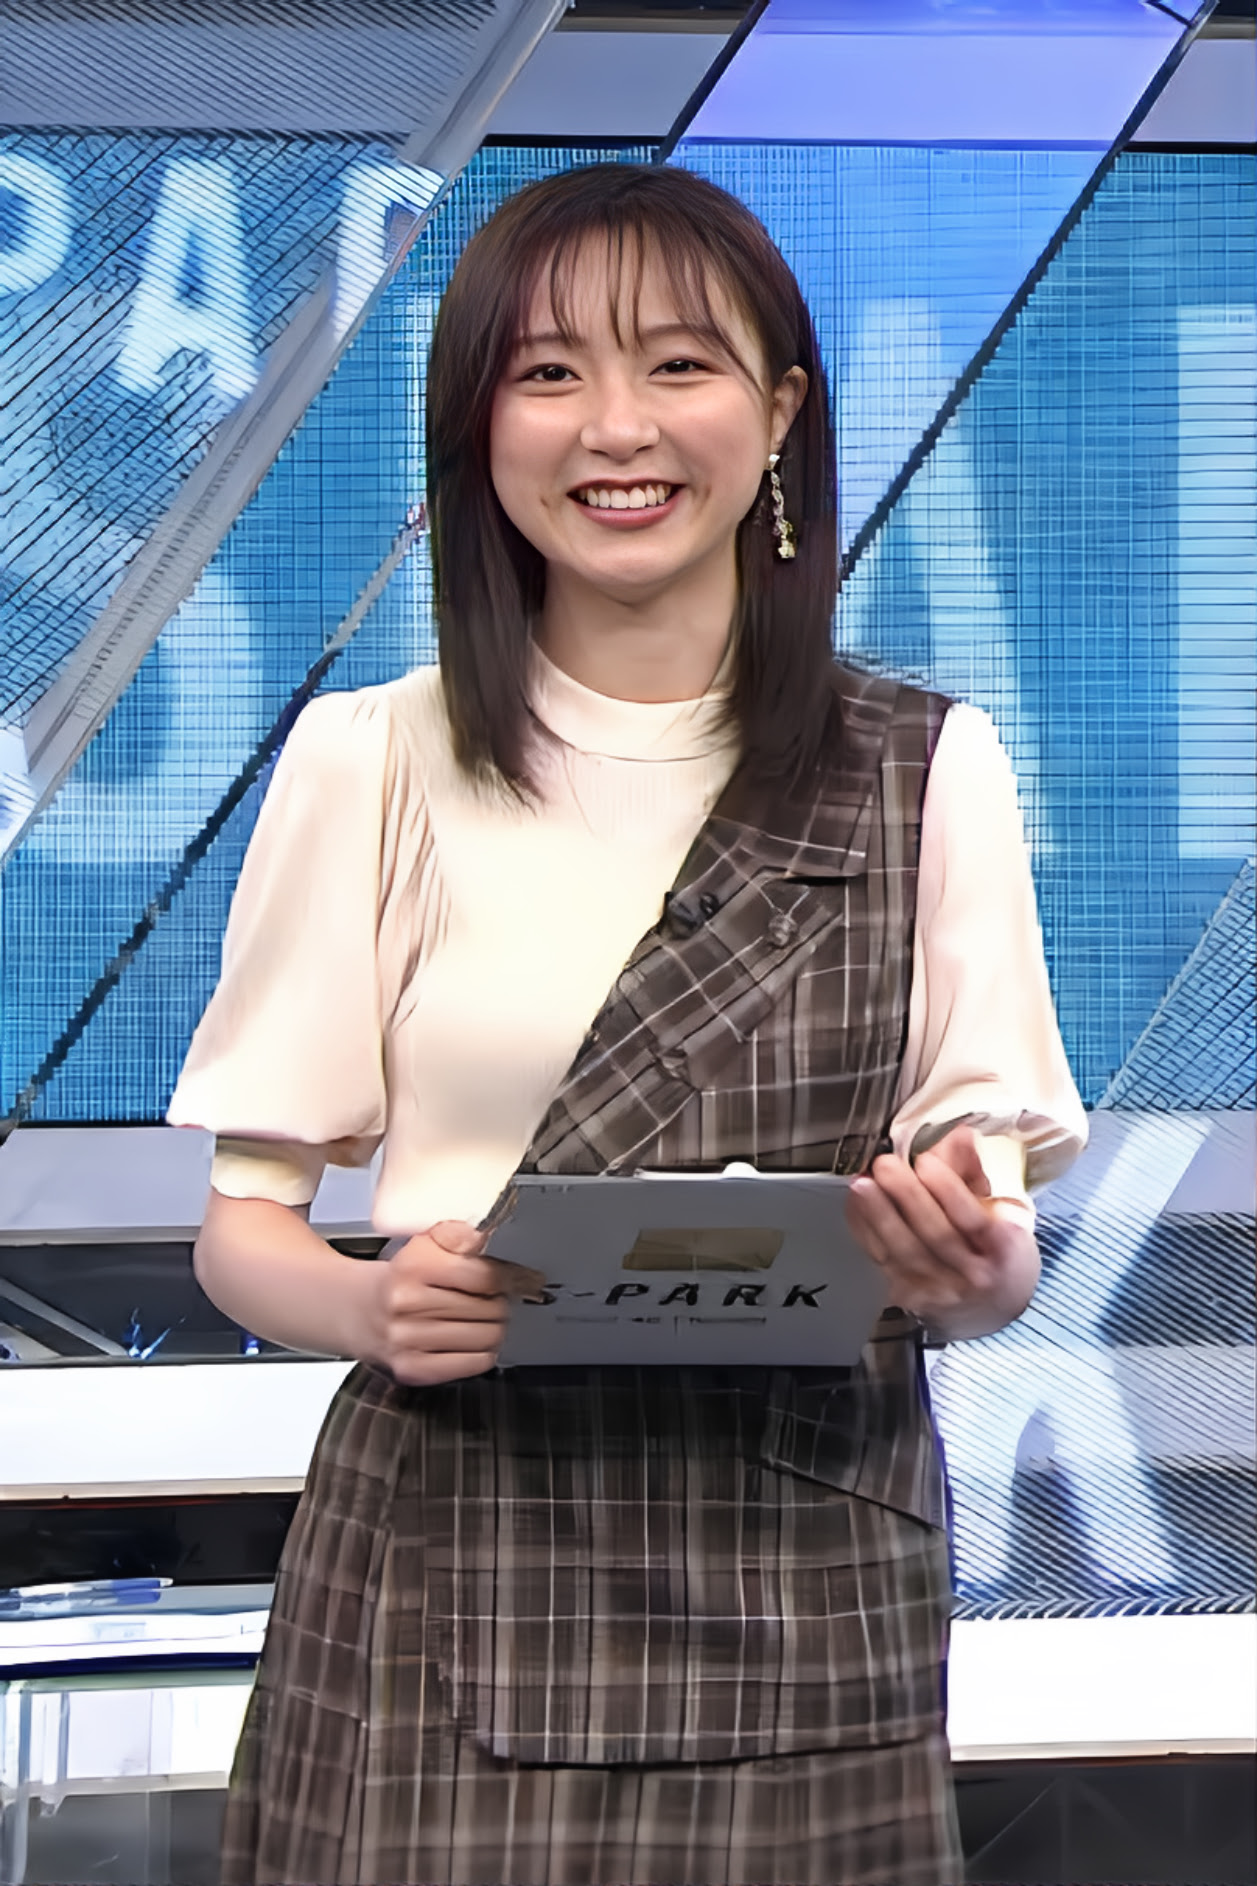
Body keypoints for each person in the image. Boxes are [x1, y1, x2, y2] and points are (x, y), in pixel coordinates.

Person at [169, 162, 1086, 1886]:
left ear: (779, 411)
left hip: (798, 1575)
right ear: (477, 425)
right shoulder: (371, 757)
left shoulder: (924, 767)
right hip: (454, 1548)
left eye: (678, 364)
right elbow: (244, 1228)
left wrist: (970, 1267)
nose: (617, 427)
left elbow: (988, 1251)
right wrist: (371, 1303)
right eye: (549, 372)